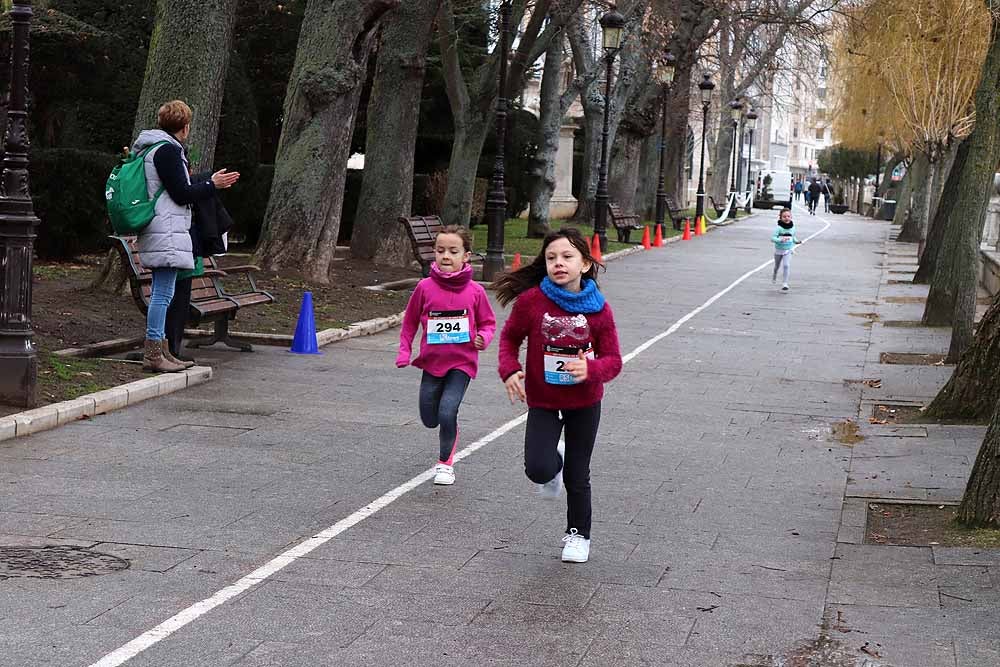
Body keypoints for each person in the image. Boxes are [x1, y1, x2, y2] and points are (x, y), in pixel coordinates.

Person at [494, 228, 623, 564]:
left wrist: (591, 370)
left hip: (584, 402)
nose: (558, 263)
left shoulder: (599, 310)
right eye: (551, 258)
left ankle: (578, 535)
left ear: (584, 263)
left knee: (578, 475)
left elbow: (614, 361)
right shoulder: (532, 302)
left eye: (567, 257)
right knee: (538, 469)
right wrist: (509, 370)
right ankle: (554, 462)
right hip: (544, 401)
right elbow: (509, 340)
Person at [132, 100, 239, 372]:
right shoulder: (167, 150)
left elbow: (178, 187)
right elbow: (181, 193)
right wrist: (211, 185)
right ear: (186, 126)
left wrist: (206, 181)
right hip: (166, 229)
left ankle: (163, 351)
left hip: (165, 228)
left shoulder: (156, 147)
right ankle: (155, 353)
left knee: (163, 293)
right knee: (162, 295)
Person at [396, 225, 496, 486]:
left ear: (466, 256)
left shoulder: (476, 291)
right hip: (432, 362)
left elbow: (488, 323)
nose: (446, 256)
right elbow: (409, 323)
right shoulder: (424, 288)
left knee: (447, 411)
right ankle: (442, 426)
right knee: (430, 418)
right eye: (440, 251)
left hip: (462, 363)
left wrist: (483, 338)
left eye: (453, 251)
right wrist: (404, 351)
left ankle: (445, 464)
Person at [164, 182, 233, 364]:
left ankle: (171, 348)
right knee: (170, 297)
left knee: (179, 297)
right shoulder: (168, 161)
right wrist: (211, 184)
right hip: (177, 246)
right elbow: (182, 193)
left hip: (186, 246)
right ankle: (166, 349)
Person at [772, 208, 802, 291]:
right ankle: (774, 274)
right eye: (784, 216)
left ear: (791, 217)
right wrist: (780, 240)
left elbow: (792, 237)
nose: (786, 218)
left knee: (786, 265)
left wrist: (797, 241)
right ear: (780, 217)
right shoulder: (779, 228)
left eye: (788, 216)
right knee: (777, 266)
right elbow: (772, 238)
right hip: (779, 250)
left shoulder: (793, 228)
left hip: (788, 250)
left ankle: (785, 283)